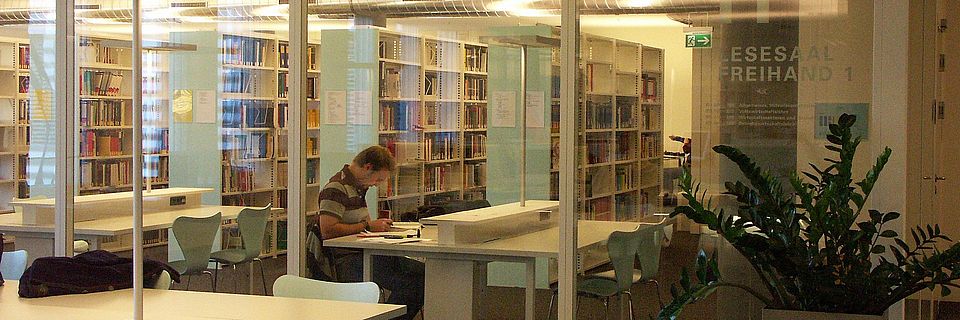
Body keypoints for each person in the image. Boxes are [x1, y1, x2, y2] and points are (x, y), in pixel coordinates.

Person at [318, 145, 424, 320]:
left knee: (425, 273)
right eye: (378, 179)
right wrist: (368, 226)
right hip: (349, 259)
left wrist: (376, 228)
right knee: (412, 284)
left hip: (367, 251)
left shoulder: (358, 187)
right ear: (367, 168)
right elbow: (327, 231)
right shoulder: (336, 189)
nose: (378, 184)